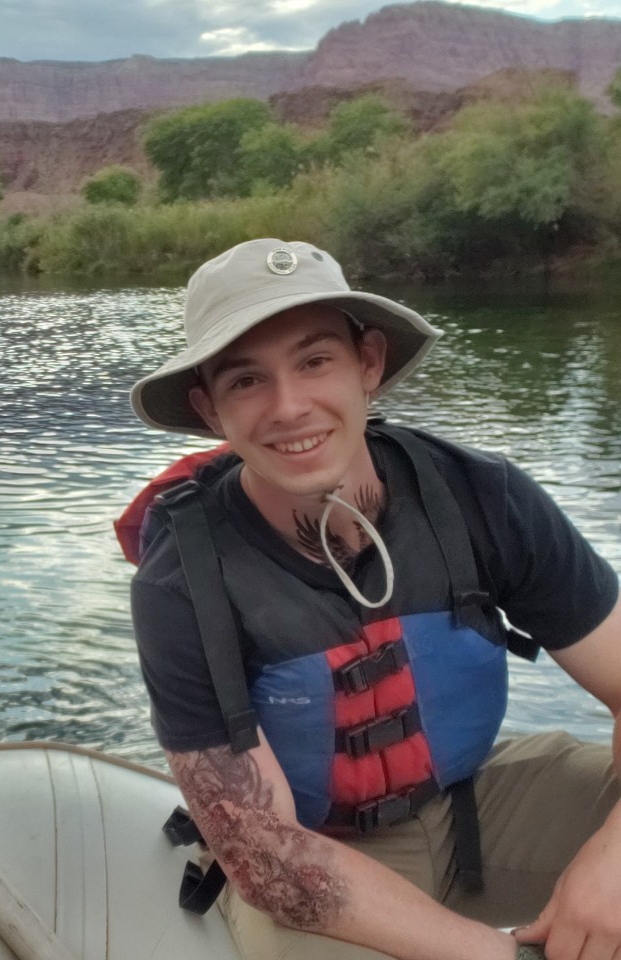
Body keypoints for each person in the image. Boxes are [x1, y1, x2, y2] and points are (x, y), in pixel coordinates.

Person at [124, 238, 621, 960]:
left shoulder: (483, 496)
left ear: (369, 363)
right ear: (209, 409)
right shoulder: (180, 583)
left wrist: (611, 865)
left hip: (475, 808)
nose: (290, 407)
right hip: (317, 861)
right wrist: (494, 955)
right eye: (246, 380)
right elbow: (268, 856)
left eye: (315, 361)